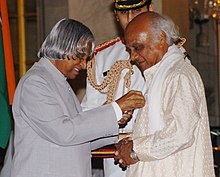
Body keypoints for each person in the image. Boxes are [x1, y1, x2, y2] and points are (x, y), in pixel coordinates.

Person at [9, 18, 145, 177]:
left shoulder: (58, 82)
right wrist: (115, 108)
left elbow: (80, 139)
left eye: (86, 58)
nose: (83, 65)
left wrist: (115, 124)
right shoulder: (35, 82)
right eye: (80, 57)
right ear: (63, 47)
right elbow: (65, 132)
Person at [114, 11, 215, 177]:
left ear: (161, 38)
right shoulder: (160, 75)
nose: (132, 57)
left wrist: (135, 150)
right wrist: (130, 143)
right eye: (130, 50)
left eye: (137, 48)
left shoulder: (179, 75)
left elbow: (180, 133)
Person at [81, 1, 153, 177]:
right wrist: (113, 116)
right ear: (115, 15)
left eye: (137, 11)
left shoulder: (169, 52)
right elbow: (88, 113)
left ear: (151, 10)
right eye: (123, 13)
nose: (130, 19)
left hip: (154, 156)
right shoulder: (102, 57)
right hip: (117, 162)